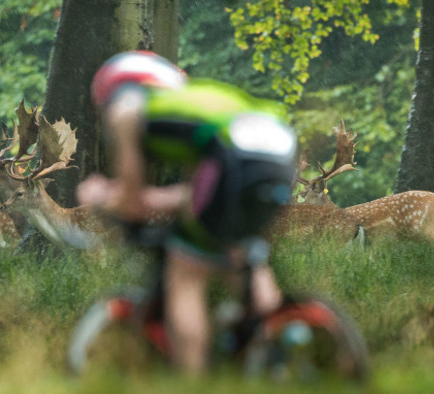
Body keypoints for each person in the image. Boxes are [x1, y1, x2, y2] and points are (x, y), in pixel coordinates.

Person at [77, 51, 297, 373]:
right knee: (239, 251)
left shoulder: (126, 108)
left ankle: (191, 377)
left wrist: (100, 196)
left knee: (185, 272)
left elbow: (132, 201)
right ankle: (281, 343)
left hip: (234, 154)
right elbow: (195, 195)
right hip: (279, 152)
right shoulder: (197, 102)